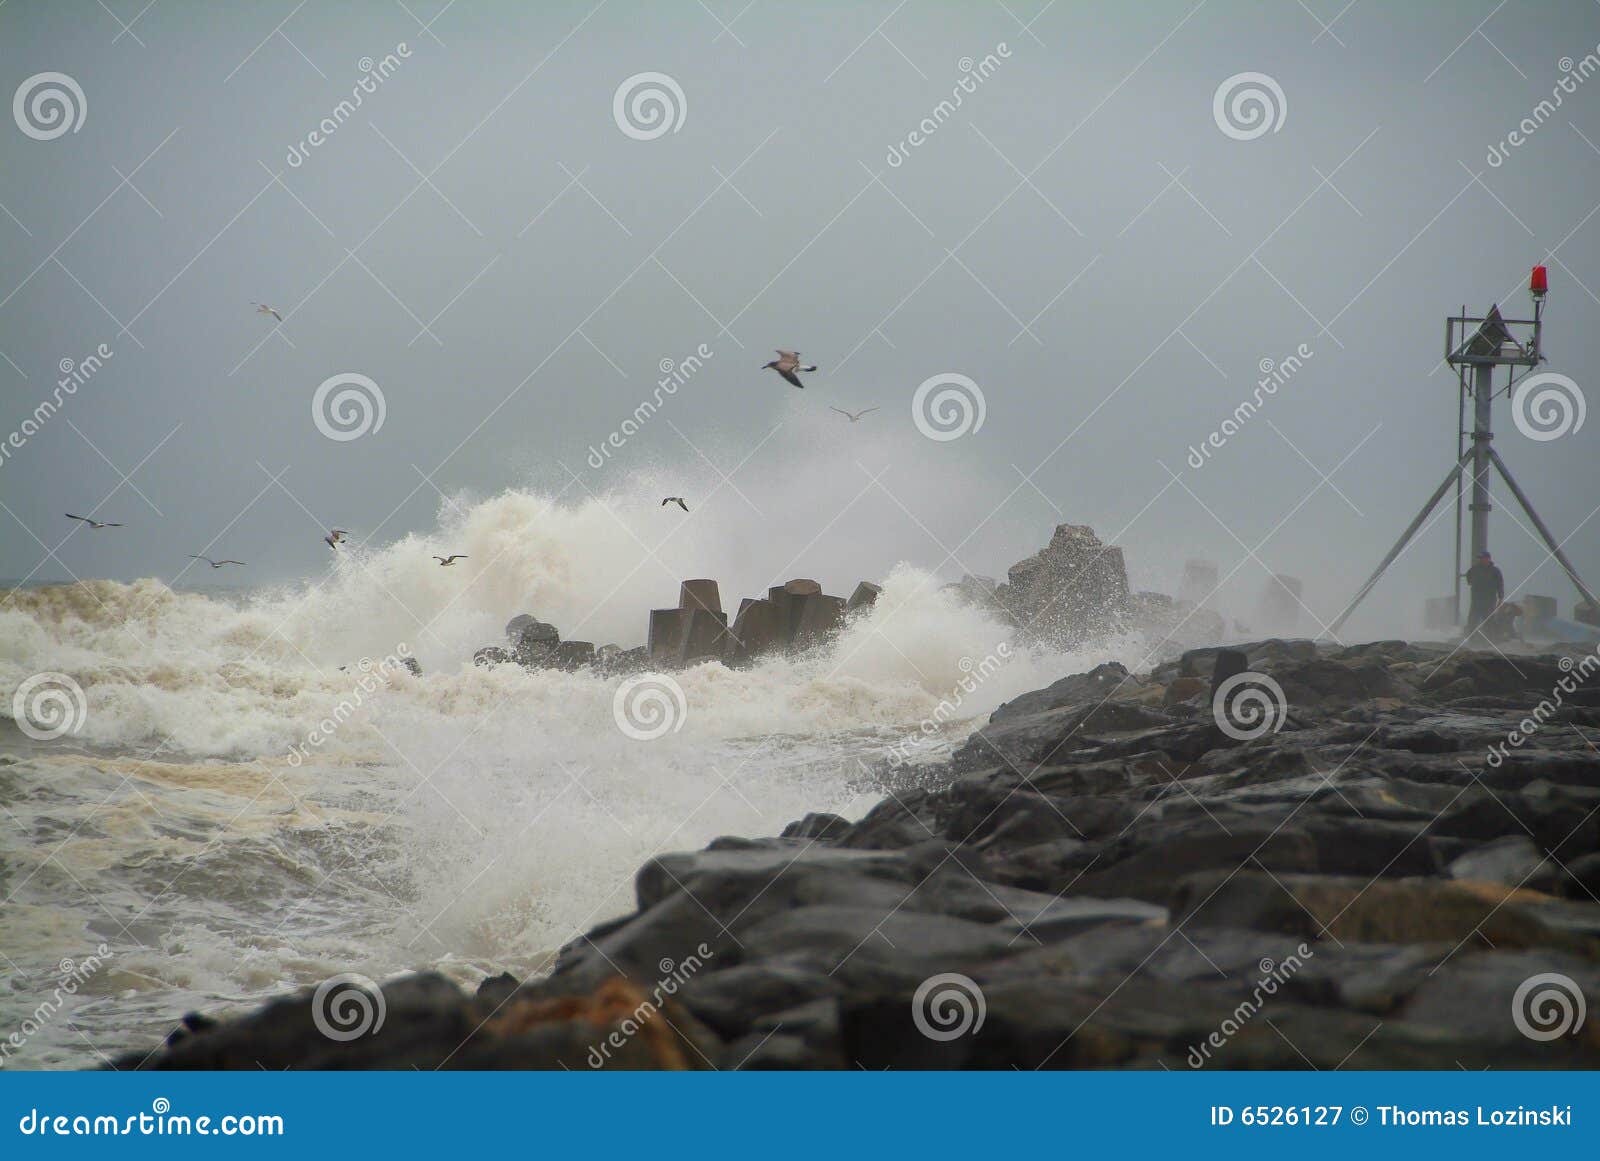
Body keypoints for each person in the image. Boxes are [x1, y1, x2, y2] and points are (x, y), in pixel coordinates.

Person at [1464, 550, 1505, 635]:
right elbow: (1469, 578)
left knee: (1488, 621)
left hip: (1489, 601)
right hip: (1476, 601)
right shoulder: (1474, 569)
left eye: (1483, 558)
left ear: (1488, 559)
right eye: (1480, 558)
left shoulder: (1495, 571)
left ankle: (1489, 640)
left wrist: (1501, 598)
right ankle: (1471, 639)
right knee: (1472, 620)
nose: (1481, 560)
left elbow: (1500, 585)